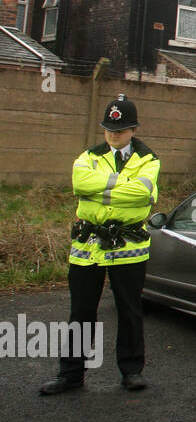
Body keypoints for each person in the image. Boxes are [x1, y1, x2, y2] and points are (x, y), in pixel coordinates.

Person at [40, 94, 161, 395]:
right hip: (89, 243)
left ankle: (132, 371)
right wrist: (122, 187)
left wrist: (101, 188)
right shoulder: (88, 156)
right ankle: (70, 375)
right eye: (108, 128)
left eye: (119, 130)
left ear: (133, 129)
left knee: (129, 310)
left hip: (128, 245)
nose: (112, 134)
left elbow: (144, 194)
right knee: (81, 311)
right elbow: (80, 184)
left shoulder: (149, 159)